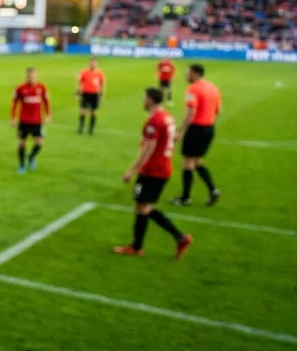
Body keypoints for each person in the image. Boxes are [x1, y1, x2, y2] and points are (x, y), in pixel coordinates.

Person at [115, 87, 193, 258]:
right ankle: (179, 238)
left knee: (141, 207)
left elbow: (148, 149)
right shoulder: (167, 117)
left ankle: (137, 247)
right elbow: (173, 138)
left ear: (150, 100)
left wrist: (131, 170)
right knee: (145, 207)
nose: (143, 101)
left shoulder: (153, 122)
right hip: (164, 168)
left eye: (144, 98)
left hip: (152, 170)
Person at [172, 64, 222, 206]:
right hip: (209, 128)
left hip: (196, 129)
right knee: (197, 161)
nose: (185, 75)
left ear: (195, 73)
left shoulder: (192, 89)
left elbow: (190, 112)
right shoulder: (213, 87)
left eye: (187, 72)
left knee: (187, 163)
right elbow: (219, 110)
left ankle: (185, 198)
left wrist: (181, 131)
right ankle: (213, 190)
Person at [11, 67, 51, 174]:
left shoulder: (42, 87)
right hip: (24, 121)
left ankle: (31, 157)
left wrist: (48, 115)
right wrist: (13, 118)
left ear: (36, 75)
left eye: (33, 75)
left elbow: (46, 101)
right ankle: (21, 165)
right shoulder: (20, 88)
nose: (31, 77)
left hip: (37, 121)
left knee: (39, 143)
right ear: (26, 76)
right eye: (29, 76)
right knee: (21, 143)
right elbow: (14, 103)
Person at [76, 58, 105, 135]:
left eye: (94, 63)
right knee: (82, 111)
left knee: (94, 112)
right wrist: (78, 94)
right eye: (91, 63)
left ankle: (91, 128)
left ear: (97, 64)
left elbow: (102, 85)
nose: (93, 64)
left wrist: (102, 95)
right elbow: (79, 83)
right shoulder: (84, 72)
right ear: (89, 63)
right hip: (85, 94)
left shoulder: (100, 73)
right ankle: (81, 127)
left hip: (95, 94)